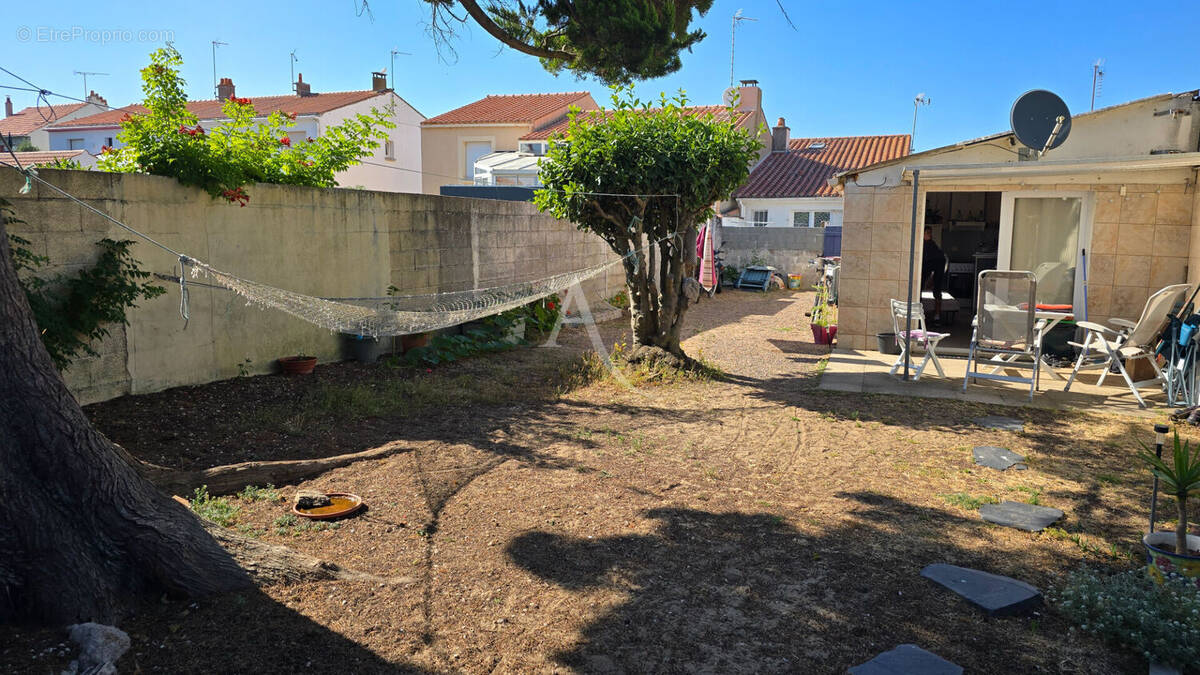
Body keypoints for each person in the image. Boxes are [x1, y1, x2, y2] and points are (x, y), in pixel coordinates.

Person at [922, 226, 946, 325]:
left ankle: (937, 316)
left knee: (937, 290)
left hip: (937, 267)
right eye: (927, 232)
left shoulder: (931, 245)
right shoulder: (923, 244)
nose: (929, 234)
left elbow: (938, 260)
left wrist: (931, 277)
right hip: (928, 267)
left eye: (930, 233)